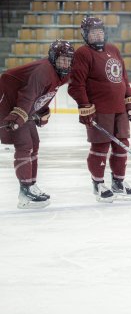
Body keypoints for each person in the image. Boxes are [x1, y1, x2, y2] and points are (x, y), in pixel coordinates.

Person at [68, 17, 131, 202]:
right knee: (100, 146)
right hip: (99, 109)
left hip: (119, 109)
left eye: (100, 31)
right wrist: (85, 106)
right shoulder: (83, 54)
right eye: (93, 32)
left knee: (122, 145)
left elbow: (123, 78)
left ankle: (118, 182)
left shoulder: (113, 50)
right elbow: (76, 85)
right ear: (85, 35)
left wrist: (130, 99)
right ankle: (98, 183)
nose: (97, 34)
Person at [0, 40, 74, 208]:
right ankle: (24, 191)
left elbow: (46, 92)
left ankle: (31, 185)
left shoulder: (62, 73)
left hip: (22, 104)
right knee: (24, 144)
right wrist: (18, 115)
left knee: (35, 142)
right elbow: (28, 94)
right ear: (53, 57)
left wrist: (41, 110)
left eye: (68, 60)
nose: (65, 63)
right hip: (10, 100)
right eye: (62, 59)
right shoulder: (44, 71)